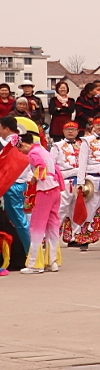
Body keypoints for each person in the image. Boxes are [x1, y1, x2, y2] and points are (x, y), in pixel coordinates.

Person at [19, 117, 64, 273]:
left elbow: (41, 167)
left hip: (45, 189)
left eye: (20, 148)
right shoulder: (43, 150)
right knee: (52, 225)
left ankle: (34, 263)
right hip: (55, 188)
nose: (21, 152)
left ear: (24, 144)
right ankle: (53, 260)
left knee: (37, 226)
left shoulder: (33, 153)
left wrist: (33, 178)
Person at [0, 116, 35, 272]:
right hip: (15, 183)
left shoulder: (10, 142)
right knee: (17, 221)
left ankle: (31, 254)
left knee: (20, 221)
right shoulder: (16, 140)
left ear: (6, 128)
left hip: (13, 183)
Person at [74, 116, 100, 252]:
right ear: (93, 126)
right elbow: (82, 162)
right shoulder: (86, 141)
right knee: (90, 209)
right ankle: (85, 238)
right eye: (98, 125)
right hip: (92, 179)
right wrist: (80, 182)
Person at [53, 121, 83, 247]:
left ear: (77, 131)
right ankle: (51, 235)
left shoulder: (83, 145)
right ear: (63, 131)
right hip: (64, 180)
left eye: (73, 129)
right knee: (61, 209)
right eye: (68, 129)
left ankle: (75, 237)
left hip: (80, 181)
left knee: (76, 209)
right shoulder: (57, 146)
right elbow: (52, 163)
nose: (71, 131)